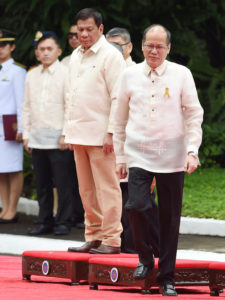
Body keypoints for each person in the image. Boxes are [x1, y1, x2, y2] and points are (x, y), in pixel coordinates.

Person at [114, 24, 203, 296]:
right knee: (136, 206)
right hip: (139, 153)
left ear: (168, 48)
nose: (154, 51)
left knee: (169, 218)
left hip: (173, 155)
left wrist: (192, 151)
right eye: (150, 45)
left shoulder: (181, 74)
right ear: (141, 46)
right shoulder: (129, 75)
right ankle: (144, 257)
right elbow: (118, 120)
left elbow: (193, 115)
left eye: (160, 46)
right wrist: (120, 156)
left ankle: (167, 277)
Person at [65, 8, 125, 254]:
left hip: (102, 135)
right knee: (86, 190)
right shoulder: (75, 55)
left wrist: (112, 132)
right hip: (78, 133)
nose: (85, 34)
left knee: (107, 188)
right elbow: (70, 97)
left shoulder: (111, 55)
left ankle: (112, 239)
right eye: (80, 30)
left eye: (90, 29)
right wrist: (68, 132)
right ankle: (94, 235)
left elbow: (119, 97)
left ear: (100, 29)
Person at [106, 28, 160, 255]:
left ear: (129, 48)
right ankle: (123, 246)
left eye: (119, 46)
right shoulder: (105, 71)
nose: (114, 52)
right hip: (111, 146)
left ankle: (147, 249)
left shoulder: (140, 73)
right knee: (116, 200)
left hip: (140, 149)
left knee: (139, 202)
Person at [21, 31, 75, 235]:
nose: (45, 53)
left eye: (49, 49)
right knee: (42, 183)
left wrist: (65, 133)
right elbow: (26, 106)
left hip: (58, 138)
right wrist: (26, 134)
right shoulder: (31, 74)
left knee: (63, 183)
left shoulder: (65, 72)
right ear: (36, 53)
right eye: (41, 49)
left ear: (59, 51)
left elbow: (70, 105)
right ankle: (44, 220)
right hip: (36, 136)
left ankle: (63, 221)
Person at [0, 29, 26, 224]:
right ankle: (5, 206)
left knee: (13, 168)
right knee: (1, 169)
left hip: (10, 125)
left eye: (3, 45)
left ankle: (13, 208)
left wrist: (21, 128)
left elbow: (21, 101)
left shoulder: (17, 71)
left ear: (12, 47)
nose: (0, 50)